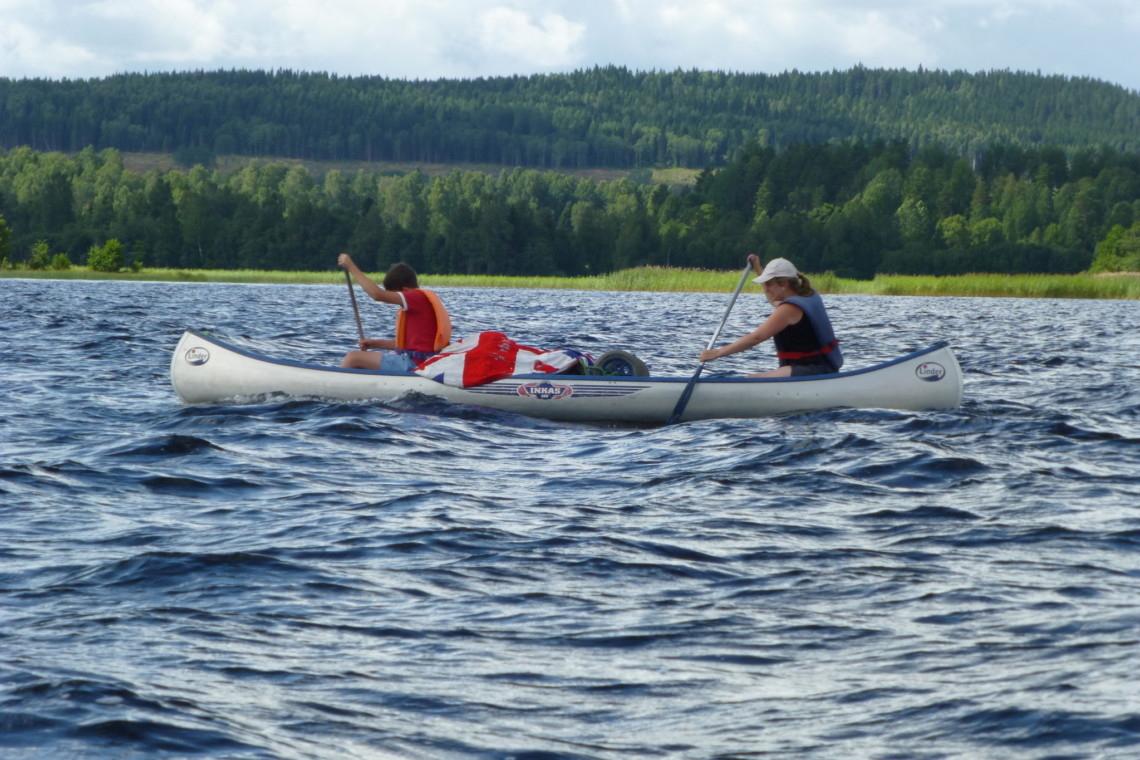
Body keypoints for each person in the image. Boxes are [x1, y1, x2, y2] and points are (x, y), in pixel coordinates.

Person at [699, 254, 843, 377]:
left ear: (783, 284)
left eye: (768, 284)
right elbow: (773, 298)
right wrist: (757, 267)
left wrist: (718, 352)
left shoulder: (789, 309)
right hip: (820, 367)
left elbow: (757, 337)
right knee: (755, 377)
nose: (765, 289)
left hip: (813, 369)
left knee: (753, 379)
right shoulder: (807, 295)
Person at [337, 253, 452, 372]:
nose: (396, 302)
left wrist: (350, 266)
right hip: (418, 361)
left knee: (353, 358)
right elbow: (404, 345)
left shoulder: (416, 297)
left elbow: (377, 295)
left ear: (404, 290)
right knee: (362, 359)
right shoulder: (420, 303)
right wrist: (374, 343)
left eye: (395, 295)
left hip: (414, 364)